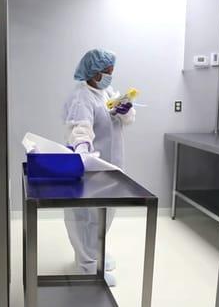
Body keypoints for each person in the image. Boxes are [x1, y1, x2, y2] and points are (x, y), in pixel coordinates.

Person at [63, 49, 135, 286]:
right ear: (93, 72)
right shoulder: (81, 97)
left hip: (112, 165)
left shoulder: (107, 92)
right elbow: (79, 129)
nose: (110, 76)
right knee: (86, 215)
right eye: (106, 72)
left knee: (105, 212)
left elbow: (125, 118)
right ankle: (86, 265)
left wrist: (124, 111)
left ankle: (96, 252)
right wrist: (82, 147)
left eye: (112, 71)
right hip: (92, 166)